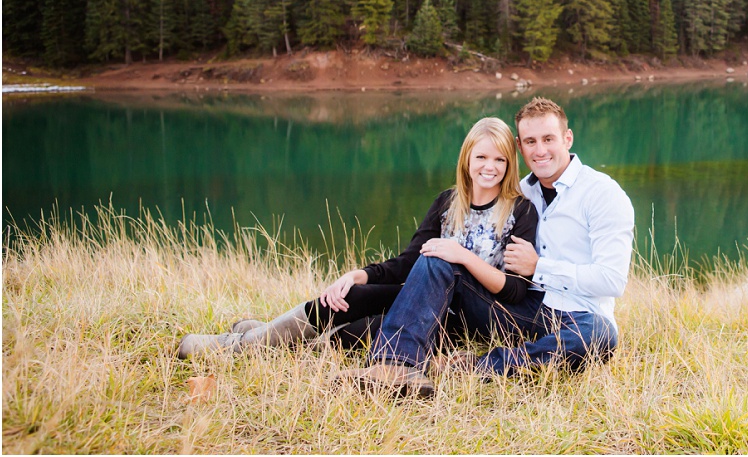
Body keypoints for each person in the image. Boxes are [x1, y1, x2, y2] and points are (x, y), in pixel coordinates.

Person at [176, 116, 539, 396]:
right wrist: (359, 274)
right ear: (467, 159)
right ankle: (236, 346)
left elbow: (514, 292)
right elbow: (409, 262)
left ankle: (265, 338)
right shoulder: (447, 202)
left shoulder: (520, 211)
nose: (489, 166)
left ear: (510, 164)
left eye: (499, 159)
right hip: (421, 296)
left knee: (360, 333)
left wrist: (461, 255)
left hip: (462, 314)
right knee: (350, 297)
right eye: (481, 157)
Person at [337, 96, 635, 396]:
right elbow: (422, 250)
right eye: (531, 141)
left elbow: (612, 280)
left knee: (600, 335)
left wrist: (539, 268)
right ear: (520, 147)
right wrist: (364, 274)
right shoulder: (520, 194)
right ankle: (394, 365)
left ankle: (476, 366)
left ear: (567, 138)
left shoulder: (603, 194)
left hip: (577, 316)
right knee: (437, 258)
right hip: (514, 307)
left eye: (549, 139)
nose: (540, 150)